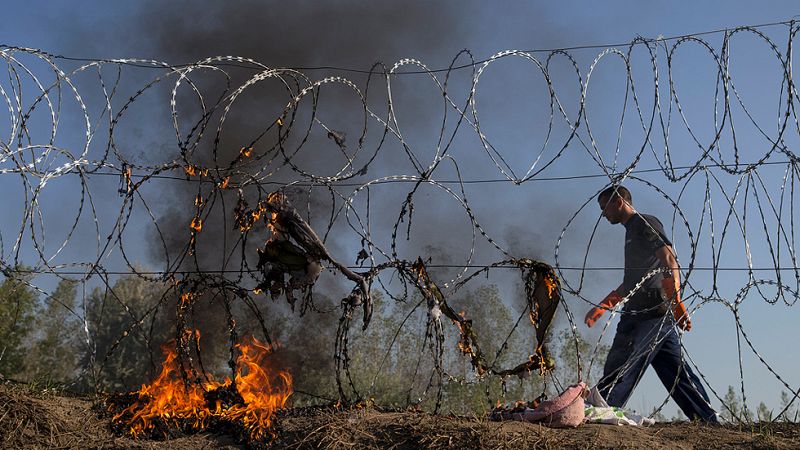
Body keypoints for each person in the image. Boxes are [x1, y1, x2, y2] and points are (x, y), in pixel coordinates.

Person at [585, 185, 718, 423]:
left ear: (618, 202)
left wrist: (676, 301)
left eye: (604, 207)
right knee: (676, 373)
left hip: (651, 313)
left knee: (626, 361)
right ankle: (707, 418)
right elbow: (633, 282)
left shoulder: (644, 223)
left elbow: (669, 258)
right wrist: (604, 305)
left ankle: (603, 408)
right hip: (640, 312)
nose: (603, 214)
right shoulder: (630, 233)